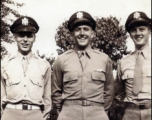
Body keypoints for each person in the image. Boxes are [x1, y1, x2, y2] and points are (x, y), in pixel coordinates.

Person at [52, 11, 114, 120]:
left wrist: (99, 111)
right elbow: (56, 90)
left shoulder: (104, 59)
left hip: (97, 114)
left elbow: (109, 90)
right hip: (69, 114)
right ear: (72, 34)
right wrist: (64, 111)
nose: (82, 33)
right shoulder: (61, 60)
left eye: (86, 29)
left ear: (92, 33)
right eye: (77, 29)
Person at [1, 16, 52, 120]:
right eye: (21, 35)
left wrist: (42, 116)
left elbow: (47, 97)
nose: (25, 40)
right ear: (14, 37)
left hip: (35, 114)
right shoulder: (4, 64)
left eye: (29, 36)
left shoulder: (44, 65)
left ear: (34, 38)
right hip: (10, 114)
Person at [115, 11, 151, 120]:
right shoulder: (123, 62)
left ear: (149, 31)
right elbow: (119, 92)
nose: (138, 33)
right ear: (130, 34)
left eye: (142, 29)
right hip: (130, 113)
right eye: (133, 30)